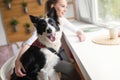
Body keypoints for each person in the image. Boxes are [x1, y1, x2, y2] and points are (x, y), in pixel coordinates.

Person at [15, 0, 85, 80]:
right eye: (62, 6)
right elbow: (28, 44)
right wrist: (18, 61)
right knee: (71, 70)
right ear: (53, 7)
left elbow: (76, 29)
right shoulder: (42, 24)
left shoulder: (61, 19)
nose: (65, 9)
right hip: (49, 56)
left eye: (66, 6)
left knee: (69, 69)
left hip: (58, 52)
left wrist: (80, 34)